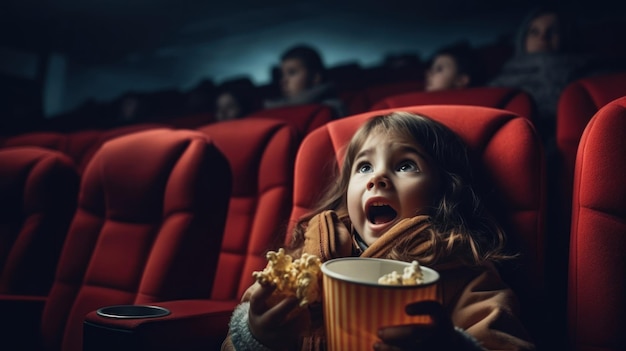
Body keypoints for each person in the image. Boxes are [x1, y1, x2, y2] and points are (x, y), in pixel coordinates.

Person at [222, 111, 536, 350]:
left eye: (405, 165)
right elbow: (233, 339)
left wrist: (452, 345)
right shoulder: (302, 259)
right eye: (364, 167)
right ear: (346, 191)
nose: (378, 177)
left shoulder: (464, 269)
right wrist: (256, 335)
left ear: (443, 191)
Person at [488, 5, 602, 142]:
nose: (543, 37)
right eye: (534, 32)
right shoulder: (502, 80)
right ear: (523, 38)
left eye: (553, 31)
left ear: (567, 35)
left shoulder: (589, 74)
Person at [264, 44, 348, 118]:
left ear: (315, 77)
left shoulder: (332, 108)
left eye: (292, 72)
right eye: (282, 75)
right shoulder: (270, 112)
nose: (283, 81)